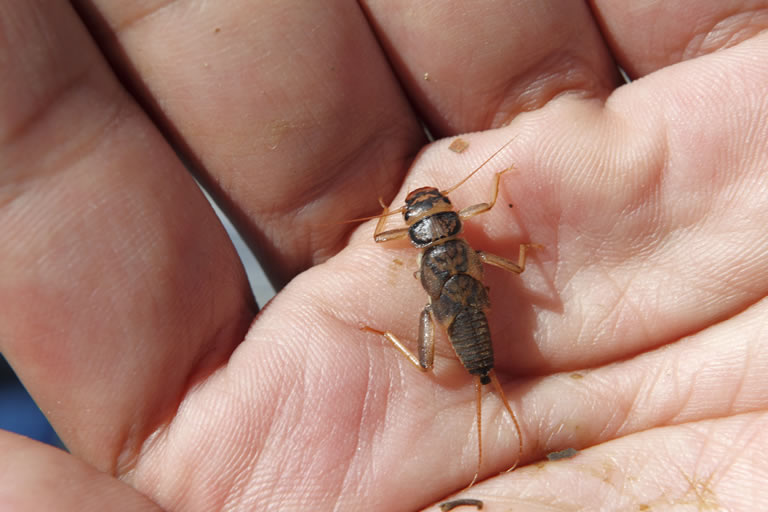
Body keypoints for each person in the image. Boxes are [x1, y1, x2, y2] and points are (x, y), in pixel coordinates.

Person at [1, 1, 766, 510]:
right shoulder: (459, 239)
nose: (431, 212)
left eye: (432, 211)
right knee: (463, 313)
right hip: (469, 314)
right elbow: (490, 254)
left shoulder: (429, 239)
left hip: (459, 316)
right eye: (427, 213)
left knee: (453, 317)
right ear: (439, 230)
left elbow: (419, 240)